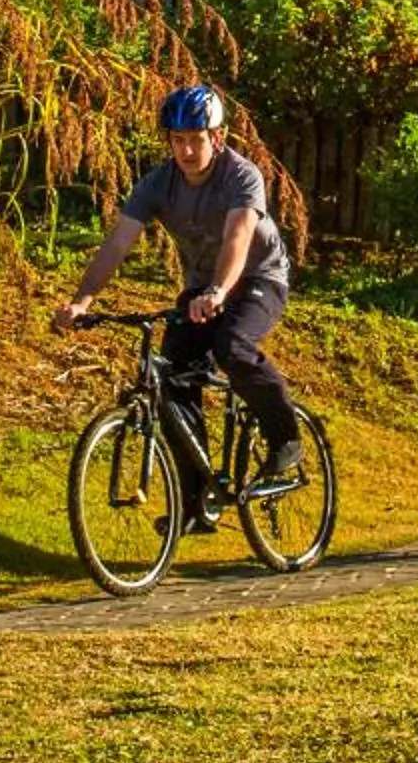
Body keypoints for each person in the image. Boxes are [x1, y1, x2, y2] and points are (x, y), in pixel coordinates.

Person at [55, 84, 303, 516]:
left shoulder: (241, 176)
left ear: (217, 138)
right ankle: (196, 503)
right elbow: (117, 245)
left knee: (232, 345)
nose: (187, 150)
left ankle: (285, 436)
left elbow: (238, 238)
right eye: (178, 140)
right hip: (204, 289)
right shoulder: (158, 184)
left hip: (258, 278)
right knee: (172, 375)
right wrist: (82, 301)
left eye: (196, 139)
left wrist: (218, 291)